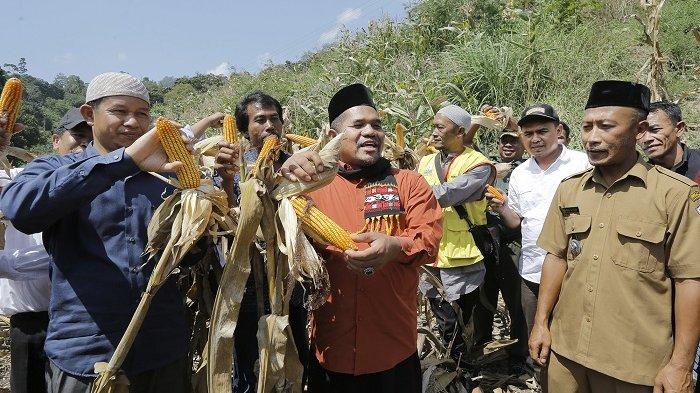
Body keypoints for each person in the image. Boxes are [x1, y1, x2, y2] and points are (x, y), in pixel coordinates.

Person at [0, 72, 209, 392]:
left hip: (161, 350)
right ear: (89, 114)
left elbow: (192, 252)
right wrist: (123, 161)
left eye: (142, 114)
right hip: (86, 352)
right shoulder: (54, 169)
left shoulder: (167, 178)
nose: (133, 122)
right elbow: (23, 211)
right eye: (120, 111)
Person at [531, 80, 700, 392]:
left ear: (639, 131)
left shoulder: (675, 194)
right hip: (566, 354)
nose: (592, 138)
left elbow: (690, 280)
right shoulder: (570, 189)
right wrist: (541, 323)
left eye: (606, 126)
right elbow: (555, 257)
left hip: (634, 365)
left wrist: (680, 364)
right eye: (586, 127)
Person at [280, 83, 442, 392]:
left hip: (393, 349)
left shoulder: (409, 183)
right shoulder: (308, 188)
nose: (371, 131)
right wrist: (281, 176)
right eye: (358, 125)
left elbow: (429, 239)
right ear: (332, 137)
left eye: (377, 125)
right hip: (332, 350)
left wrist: (395, 245)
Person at [214, 91, 308, 393]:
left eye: (274, 118)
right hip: (247, 279)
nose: (270, 125)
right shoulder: (232, 165)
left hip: (289, 279)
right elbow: (225, 220)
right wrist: (227, 180)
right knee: (249, 358)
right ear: (244, 129)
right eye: (260, 120)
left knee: (292, 350)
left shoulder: (297, 165)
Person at [0, 107, 93, 393]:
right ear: (55, 140)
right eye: (78, 136)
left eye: (92, 139)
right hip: (33, 324)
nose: (84, 145)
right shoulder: (19, 180)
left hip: (83, 323)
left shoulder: (99, 184)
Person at [485, 103, 590, 340]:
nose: (535, 139)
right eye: (529, 134)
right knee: (535, 330)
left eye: (542, 131)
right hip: (532, 269)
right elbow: (516, 222)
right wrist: (502, 207)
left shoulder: (582, 164)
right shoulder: (520, 173)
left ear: (558, 130)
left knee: (573, 333)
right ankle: (538, 373)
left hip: (575, 268)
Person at [416, 104, 494, 365]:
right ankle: (451, 361)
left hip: (463, 254)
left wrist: (408, 196)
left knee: (461, 316)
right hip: (432, 253)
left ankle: (462, 364)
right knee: (444, 317)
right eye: (434, 126)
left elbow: (449, 193)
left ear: (460, 131)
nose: (434, 132)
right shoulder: (426, 162)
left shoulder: (479, 165)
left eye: (440, 127)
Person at [474, 125, 529, 368]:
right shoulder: (487, 167)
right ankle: (480, 346)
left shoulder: (527, 170)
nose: (508, 145)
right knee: (482, 298)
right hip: (484, 242)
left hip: (511, 242)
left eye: (514, 142)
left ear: (522, 146)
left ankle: (518, 353)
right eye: (504, 141)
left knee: (515, 299)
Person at [640, 100, 699, 181]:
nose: (646, 139)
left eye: (655, 129)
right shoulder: (640, 177)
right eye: (639, 132)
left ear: (679, 129)